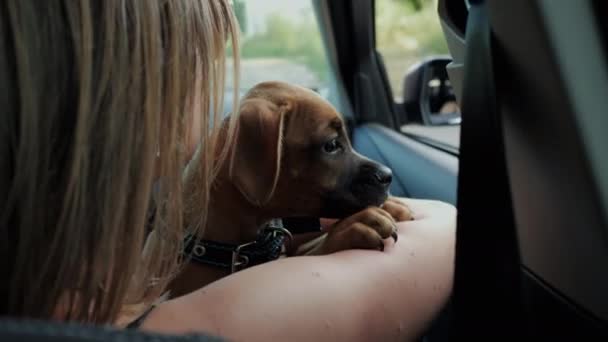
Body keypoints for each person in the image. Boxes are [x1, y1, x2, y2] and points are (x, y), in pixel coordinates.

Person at [0, 1, 455, 341]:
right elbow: (448, 230)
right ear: (149, 122)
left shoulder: (81, 302)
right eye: (204, 70)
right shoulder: (200, 325)